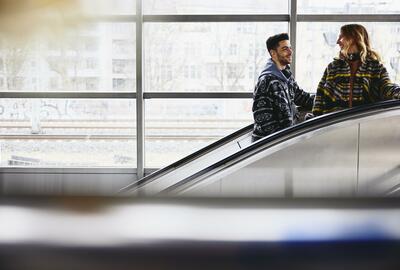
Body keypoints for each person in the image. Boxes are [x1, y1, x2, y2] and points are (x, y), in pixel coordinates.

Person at [312, 24, 400, 116]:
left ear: (354, 38)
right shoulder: (333, 67)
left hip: (364, 123)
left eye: (341, 37)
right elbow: (320, 97)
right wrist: (314, 121)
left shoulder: (376, 67)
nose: (338, 41)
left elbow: (387, 88)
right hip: (334, 124)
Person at [252, 33, 314, 141]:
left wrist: (326, 101)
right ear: (273, 53)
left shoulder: (286, 75)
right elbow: (264, 122)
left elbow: (302, 97)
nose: (290, 52)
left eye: (290, 48)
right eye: (285, 49)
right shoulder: (266, 81)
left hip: (286, 139)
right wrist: (288, 140)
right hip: (270, 146)